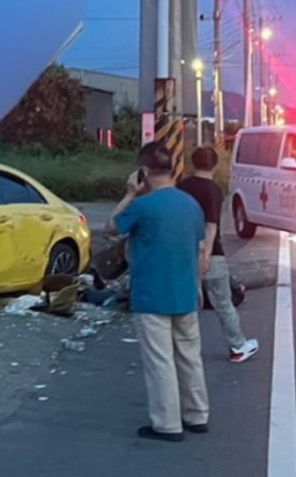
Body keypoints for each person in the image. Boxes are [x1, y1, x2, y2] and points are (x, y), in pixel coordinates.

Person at [107, 143, 209, 442]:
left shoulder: (142, 206)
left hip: (152, 294)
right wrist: (198, 286)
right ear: (173, 168)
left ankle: (167, 423)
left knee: (160, 360)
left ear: (144, 171)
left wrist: (129, 193)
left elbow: (112, 226)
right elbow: (199, 248)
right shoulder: (191, 205)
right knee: (190, 357)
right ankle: (197, 414)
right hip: (186, 292)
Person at [178, 147, 260, 363]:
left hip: (183, 252)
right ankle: (238, 346)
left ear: (192, 163)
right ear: (214, 165)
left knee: (189, 304)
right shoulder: (213, 190)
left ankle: (186, 350)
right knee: (223, 302)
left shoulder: (181, 187)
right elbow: (211, 224)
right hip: (211, 253)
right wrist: (206, 252)